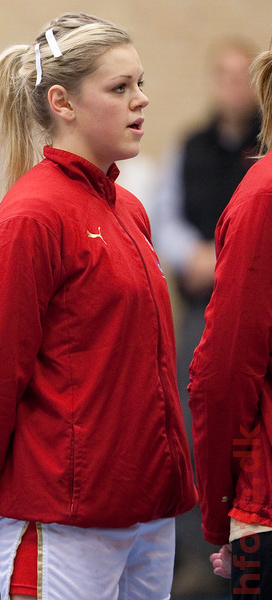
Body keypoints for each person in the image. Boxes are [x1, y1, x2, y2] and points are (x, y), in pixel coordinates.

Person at [0, 13, 197, 600]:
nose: (142, 100)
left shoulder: (129, 210)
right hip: (63, 519)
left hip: (147, 513)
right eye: (120, 88)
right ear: (63, 102)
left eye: (140, 83)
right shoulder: (32, 218)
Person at [150, 38, 260, 597]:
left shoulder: (262, 157)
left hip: (253, 303)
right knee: (199, 429)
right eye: (224, 75)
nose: (233, 86)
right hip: (202, 304)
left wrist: (230, 262)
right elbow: (164, 215)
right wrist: (194, 255)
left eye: (244, 76)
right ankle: (203, 552)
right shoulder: (191, 145)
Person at [188, 42, 272, 599]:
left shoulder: (261, 196)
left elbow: (223, 378)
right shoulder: (258, 195)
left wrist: (220, 514)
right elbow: (227, 375)